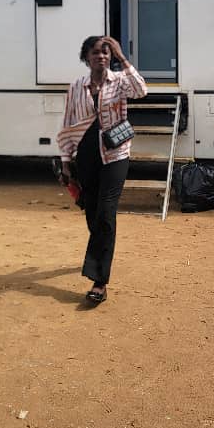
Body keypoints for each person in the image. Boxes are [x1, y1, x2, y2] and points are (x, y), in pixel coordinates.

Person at [57, 35, 147, 304]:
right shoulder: (76, 86)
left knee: (106, 212)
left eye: (106, 52)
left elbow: (141, 90)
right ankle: (99, 250)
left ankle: (99, 280)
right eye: (96, 52)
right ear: (86, 56)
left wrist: (122, 57)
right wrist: (65, 160)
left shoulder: (119, 81)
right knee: (92, 210)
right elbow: (68, 122)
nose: (102, 56)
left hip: (115, 153)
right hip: (86, 153)